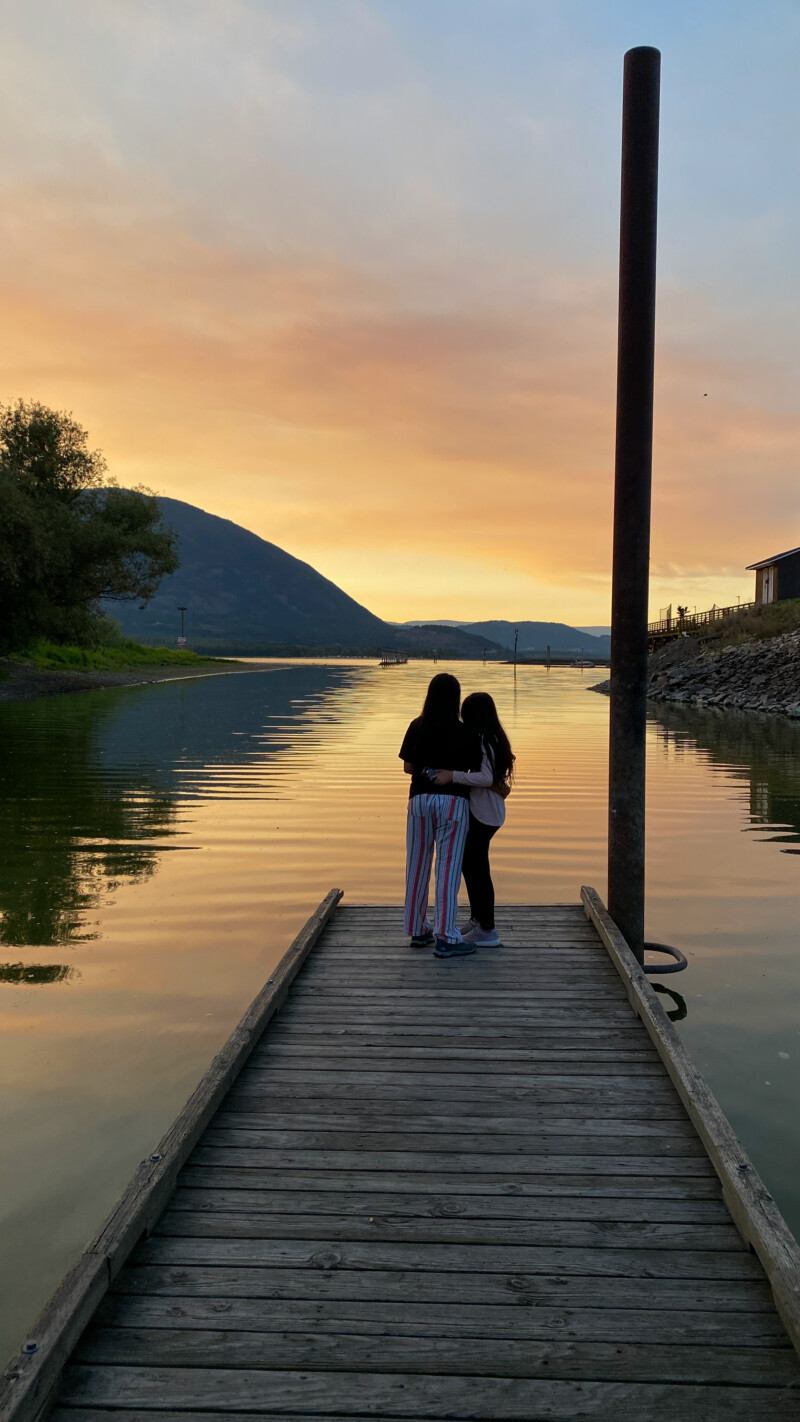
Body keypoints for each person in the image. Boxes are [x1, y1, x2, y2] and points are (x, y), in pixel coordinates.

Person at [399, 673, 481, 957]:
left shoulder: (416, 726)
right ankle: (446, 936)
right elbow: (472, 771)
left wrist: (427, 771)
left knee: (417, 865)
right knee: (447, 870)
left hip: (419, 801)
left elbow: (408, 767)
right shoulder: (465, 731)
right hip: (453, 803)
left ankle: (418, 929)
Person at [433, 691, 514, 947]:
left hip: (484, 815)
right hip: (488, 813)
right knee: (472, 867)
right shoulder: (492, 738)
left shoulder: (485, 741)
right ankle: (478, 920)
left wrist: (452, 775)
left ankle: (487, 929)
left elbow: (486, 779)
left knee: (477, 870)